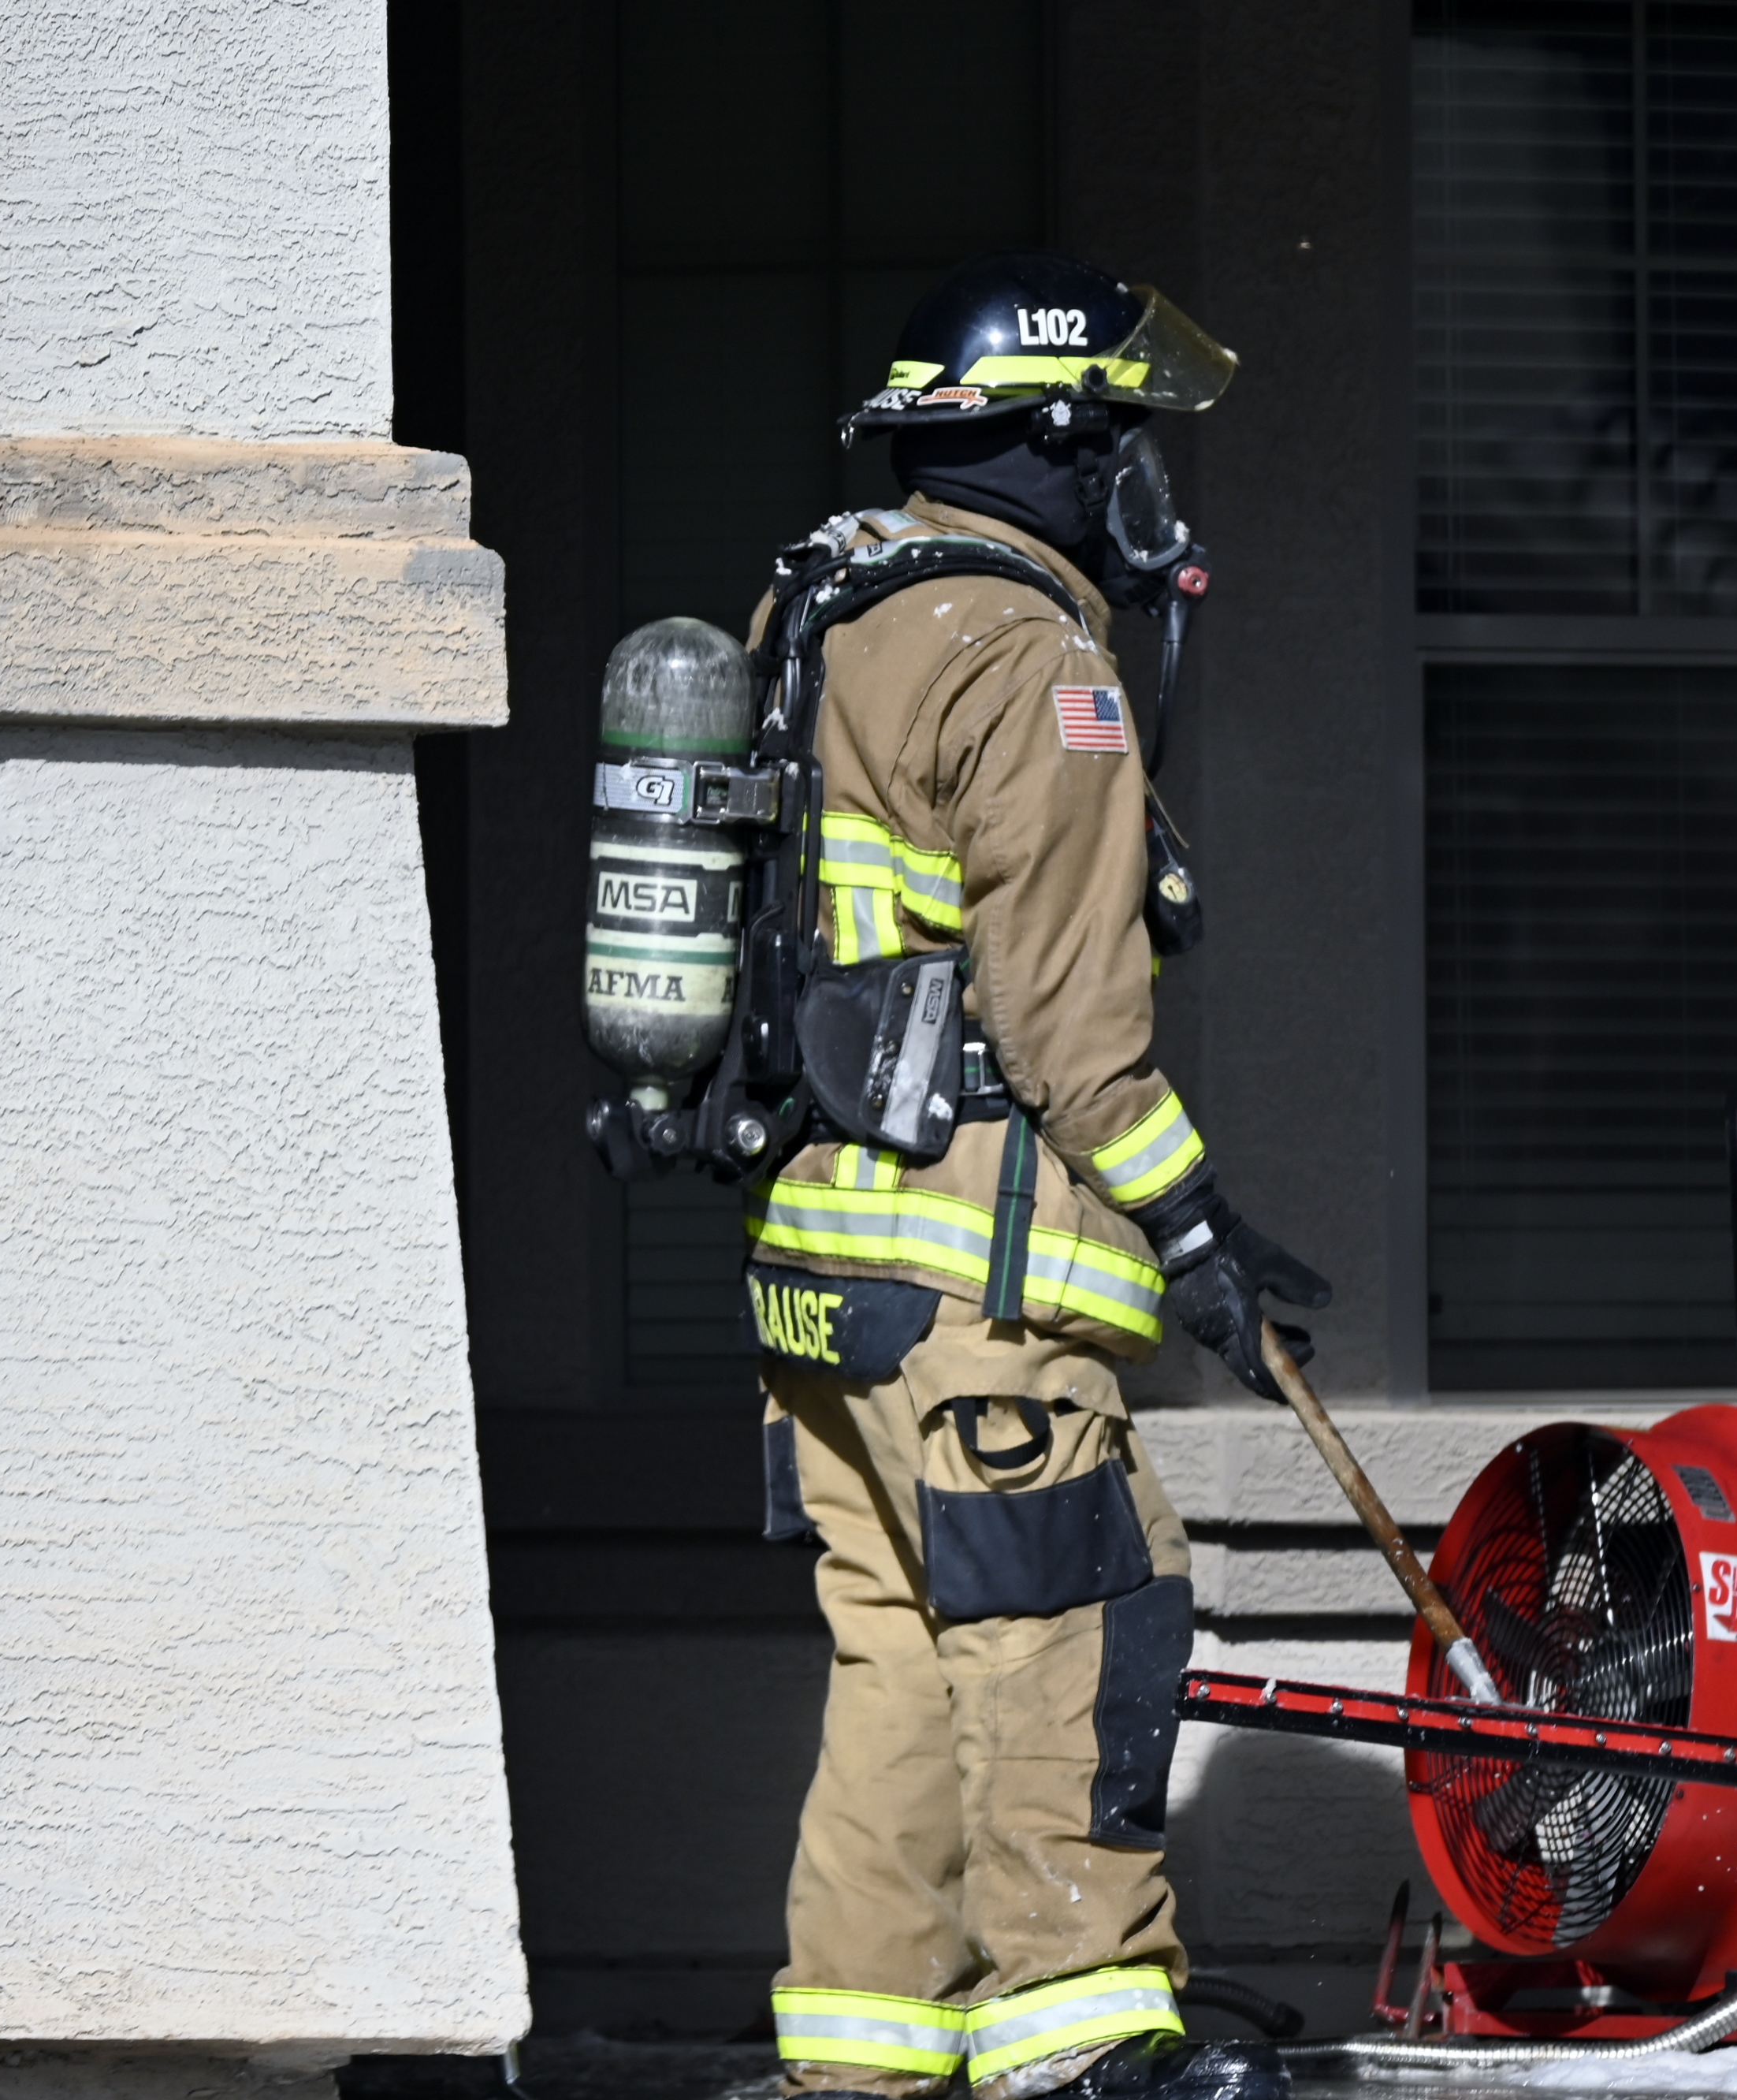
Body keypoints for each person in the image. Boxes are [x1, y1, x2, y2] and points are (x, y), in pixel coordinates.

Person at [746, 253, 1330, 2100]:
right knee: (1062, 1639)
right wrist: (1193, 1224)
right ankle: (1086, 2043)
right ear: (1064, 444)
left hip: (825, 1276)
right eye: (1127, 440)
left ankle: (866, 2054)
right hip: (978, 1282)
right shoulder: (1032, 658)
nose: (1147, 482)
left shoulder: (826, 608)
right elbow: (1068, 1022)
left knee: (900, 1669)